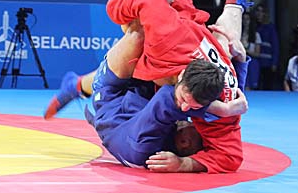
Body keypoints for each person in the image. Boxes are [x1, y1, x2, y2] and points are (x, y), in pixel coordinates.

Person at [103, 0, 279, 176]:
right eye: (187, 102)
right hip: (170, 20)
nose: (182, 108)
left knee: (228, 42)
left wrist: (185, 163)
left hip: (195, 30)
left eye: (192, 107)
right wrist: (117, 11)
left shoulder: (225, 103)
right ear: (181, 75)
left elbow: (231, 159)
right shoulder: (170, 46)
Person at [44, 25, 238, 176]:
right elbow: (230, 155)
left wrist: (224, 110)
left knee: (139, 34)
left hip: (111, 105)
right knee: (206, 73)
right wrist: (241, 62)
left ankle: (75, 86)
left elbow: (178, 98)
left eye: (192, 118)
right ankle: (79, 85)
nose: (189, 115)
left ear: (184, 141)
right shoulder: (164, 130)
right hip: (136, 110)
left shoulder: (148, 139)